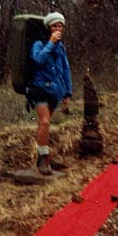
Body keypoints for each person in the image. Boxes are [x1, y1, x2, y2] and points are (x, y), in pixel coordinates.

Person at [28, 11, 72, 175]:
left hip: (54, 91)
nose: (58, 28)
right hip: (39, 89)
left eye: (60, 26)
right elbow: (38, 59)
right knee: (44, 122)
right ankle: (42, 160)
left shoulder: (61, 49)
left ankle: (46, 155)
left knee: (45, 124)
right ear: (49, 28)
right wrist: (51, 44)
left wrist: (68, 92)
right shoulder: (39, 44)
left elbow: (66, 70)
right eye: (55, 26)